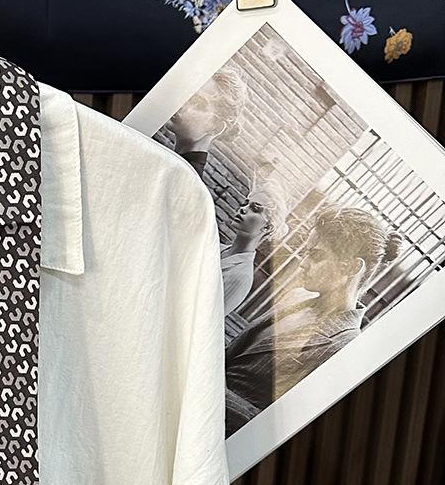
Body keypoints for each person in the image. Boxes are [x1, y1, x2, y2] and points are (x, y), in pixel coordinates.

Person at [224, 204, 402, 433]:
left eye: (316, 255)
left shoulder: (343, 347)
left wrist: (209, 387)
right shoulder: (297, 296)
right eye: (306, 251)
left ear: (352, 267)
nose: (303, 262)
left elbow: (276, 427)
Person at [220, 179, 289, 315]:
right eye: (245, 204)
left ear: (267, 227)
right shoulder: (215, 247)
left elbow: (208, 321)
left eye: (255, 209)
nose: (243, 209)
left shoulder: (241, 276)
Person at [168, 67, 248, 180]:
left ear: (216, 127)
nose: (183, 105)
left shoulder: (187, 180)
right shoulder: (177, 165)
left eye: (198, 104)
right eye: (188, 96)